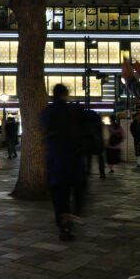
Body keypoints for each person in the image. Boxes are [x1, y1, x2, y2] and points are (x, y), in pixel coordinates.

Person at [41, 84, 87, 241]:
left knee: (59, 199)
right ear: (65, 95)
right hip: (74, 162)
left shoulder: (47, 113)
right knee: (78, 194)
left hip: (55, 164)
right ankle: (73, 217)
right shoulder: (74, 111)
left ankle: (63, 227)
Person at [84, 109, 105, 178]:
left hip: (89, 144)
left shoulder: (86, 124)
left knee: (89, 158)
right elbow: (102, 134)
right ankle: (102, 173)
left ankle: (88, 172)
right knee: (100, 158)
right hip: (98, 143)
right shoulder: (99, 123)